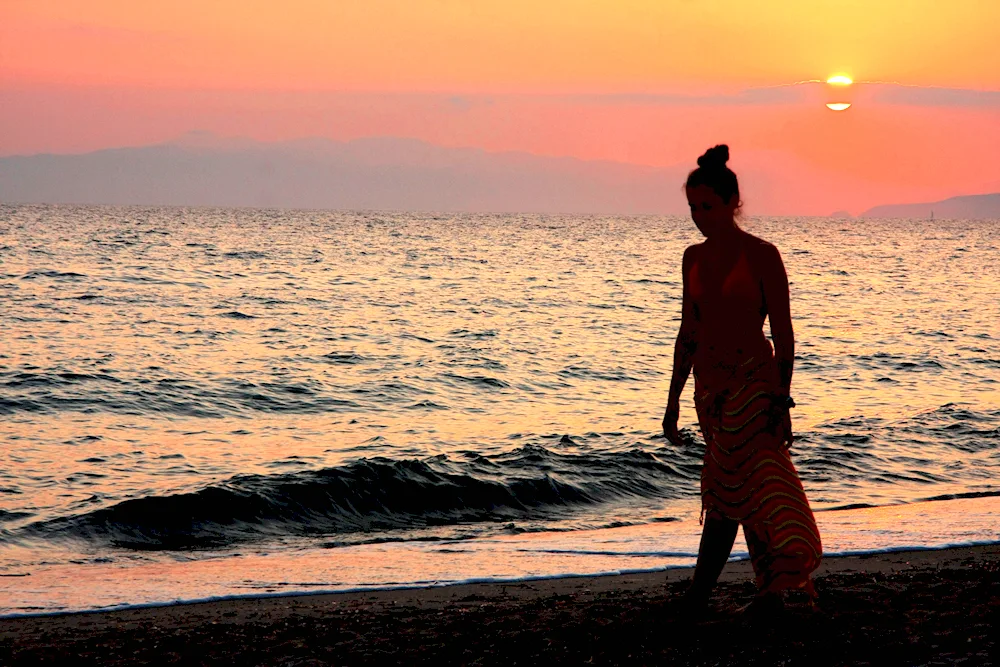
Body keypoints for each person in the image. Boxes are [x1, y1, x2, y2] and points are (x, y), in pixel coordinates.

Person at [662, 145, 822, 613]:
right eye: (692, 207)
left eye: (706, 206)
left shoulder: (763, 256)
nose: (698, 217)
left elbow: (785, 334)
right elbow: (688, 331)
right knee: (745, 489)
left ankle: (698, 594)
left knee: (726, 492)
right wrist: (672, 400)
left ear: (733, 202)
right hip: (709, 394)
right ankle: (773, 591)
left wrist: (782, 400)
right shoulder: (692, 258)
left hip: (755, 387)